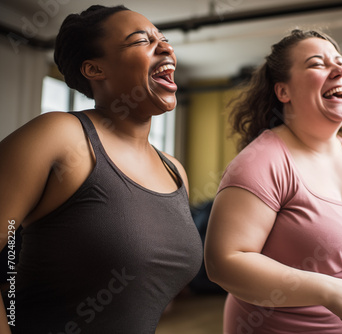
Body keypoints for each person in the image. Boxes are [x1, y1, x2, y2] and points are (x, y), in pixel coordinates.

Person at [204, 29, 342, 334]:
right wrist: (326, 290)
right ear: (283, 92)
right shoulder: (261, 162)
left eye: (340, 63)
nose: (338, 70)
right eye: (316, 64)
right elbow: (224, 262)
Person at [0, 5, 202, 333]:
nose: (166, 47)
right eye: (142, 41)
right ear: (95, 69)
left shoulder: (174, 170)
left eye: (163, 39)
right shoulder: (59, 135)